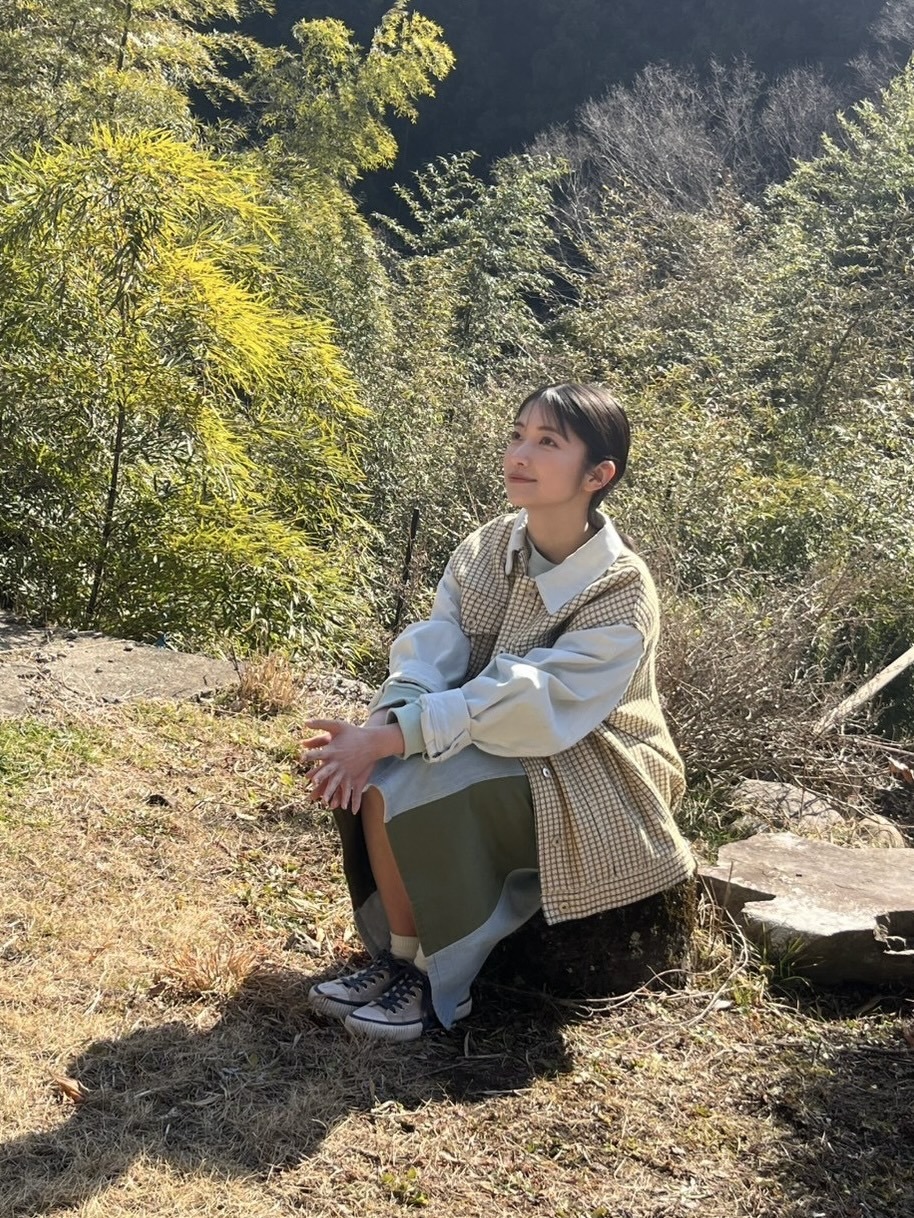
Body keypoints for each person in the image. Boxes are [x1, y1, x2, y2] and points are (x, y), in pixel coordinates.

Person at [300, 383, 694, 1042]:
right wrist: (388, 723)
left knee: (433, 783)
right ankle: (399, 959)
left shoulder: (622, 588)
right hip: (485, 723)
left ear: (598, 475)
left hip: (597, 756)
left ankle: (438, 983)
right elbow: (437, 647)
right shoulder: (487, 549)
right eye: (517, 435)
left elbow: (540, 701)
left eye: (547, 442)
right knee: (384, 777)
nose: (520, 454)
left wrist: (401, 737)